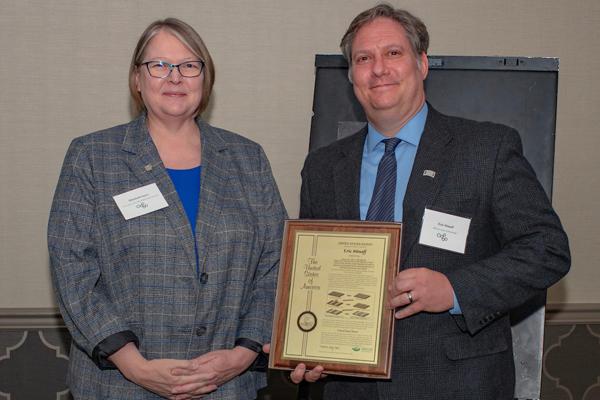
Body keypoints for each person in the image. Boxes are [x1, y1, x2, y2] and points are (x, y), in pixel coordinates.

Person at [294, 4, 570, 399]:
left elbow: (547, 249)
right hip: (347, 387)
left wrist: (455, 290)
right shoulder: (322, 167)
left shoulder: (486, 148)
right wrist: (306, 348)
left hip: (456, 384)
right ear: (351, 74)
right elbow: (313, 276)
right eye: (363, 58)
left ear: (421, 64)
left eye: (393, 53)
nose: (379, 68)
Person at [47, 18, 286, 400]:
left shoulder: (247, 158)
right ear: (137, 79)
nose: (175, 77)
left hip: (226, 385)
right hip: (119, 385)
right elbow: (72, 268)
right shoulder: (93, 156)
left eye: (189, 65)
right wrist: (133, 364)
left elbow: (276, 264)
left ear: (205, 79)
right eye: (158, 65)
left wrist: (244, 353)